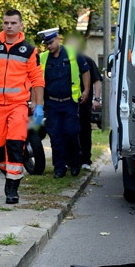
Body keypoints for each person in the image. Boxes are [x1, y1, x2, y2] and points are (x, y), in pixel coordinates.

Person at [0, 9, 45, 204]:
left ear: (21, 25)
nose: (9, 26)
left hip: (18, 105)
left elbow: (37, 79)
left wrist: (38, 105)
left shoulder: (29, 50)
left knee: (15, 144)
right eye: (6, 23)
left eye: (13, 23)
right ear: (2, 24)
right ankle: (11, 173)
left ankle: (12, 189)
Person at [37, 29, 90, 178]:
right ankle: (59, 167)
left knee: (71, 133)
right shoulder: (43, 58)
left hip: (69, 103)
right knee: (56, 136)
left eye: (51, 42)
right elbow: (36, 80)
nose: (49, 46)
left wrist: (86, 90)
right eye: (47, 44)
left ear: (58, 39)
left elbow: (85, 71)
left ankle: (75, 163)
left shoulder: (73, 54)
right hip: (52, 104)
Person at [78, 53, 103, 170]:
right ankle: (72, 159)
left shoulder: (87, 60)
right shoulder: (65, 59)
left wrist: (97, 99)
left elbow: (97, 80)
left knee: (84, 131)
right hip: (69, 103)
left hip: (84, 103)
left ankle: (85, 159)